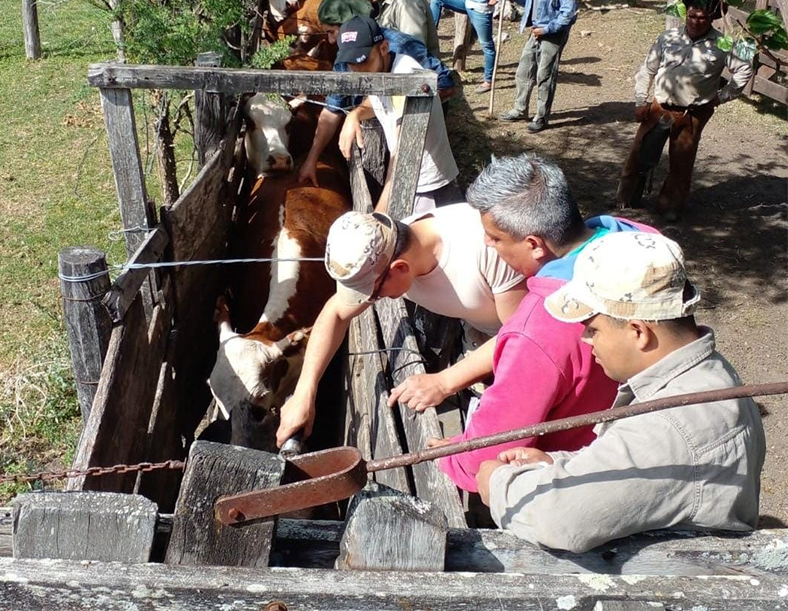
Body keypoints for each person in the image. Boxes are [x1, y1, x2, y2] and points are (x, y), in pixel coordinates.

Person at [478, 232, 766, 554]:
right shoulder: (707, 373)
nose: (586, 339)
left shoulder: (669, 426)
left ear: (638, 331)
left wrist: (497, 483)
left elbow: (560, 519)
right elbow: (639, 464)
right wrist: (555, 464)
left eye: (593, 328)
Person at [413, 153, 654, 493]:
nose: (487, 244)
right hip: (640, 441)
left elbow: (488, 452)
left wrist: (456, 455)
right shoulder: (644, 246)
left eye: (495, 238)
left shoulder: (541, 326)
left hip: (580, 477)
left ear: (533, 245)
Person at [275, 205, 528, 448]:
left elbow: (521, 336)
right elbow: (337, 312)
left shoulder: (486, 250)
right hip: (488, 332)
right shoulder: (393, 246)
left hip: (532, 343)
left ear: (399, 268)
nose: (370, 301)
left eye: (373, 293)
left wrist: (444, 382)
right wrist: (305, 392)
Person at [615, 0, 754, 221]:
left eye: (702, 17)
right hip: (659, 108)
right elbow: (647, 69)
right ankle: (626, 199)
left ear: (712, 19)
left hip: (693, 113)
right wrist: (641, 101)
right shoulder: (667, 37)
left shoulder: (723, 44)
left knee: (682, 162)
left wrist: (722, 96)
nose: (695, 21)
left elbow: (744, 70)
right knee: (639, 154)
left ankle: (670, 207)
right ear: (686, 14)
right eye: (691, 16)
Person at [298, 0, 456, 188]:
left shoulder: (402, 48)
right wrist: (311, 159)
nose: (330, 41)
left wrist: (410, 113)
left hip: (420, 157)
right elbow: (332, 109)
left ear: (350, 28)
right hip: (382, 141)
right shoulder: (345, 60)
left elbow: (444, 85)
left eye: (331, 31)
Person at [334, 15, 458, 213]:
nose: (357, 70)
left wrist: (380, 214)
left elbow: (401, 154)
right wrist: (355, 115)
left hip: (425, 187)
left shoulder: (405, 78)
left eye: (363, 60)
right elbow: (375, 102)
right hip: (409, 180)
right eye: (350, 63)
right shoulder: (381, 73)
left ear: (383, 48)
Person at [500, 0, 578, 132]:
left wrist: (546, 30)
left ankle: (541, 117)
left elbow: (568, 14)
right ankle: (520, 109)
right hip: (534, 31)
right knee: (524, 70)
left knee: (545, 75)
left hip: (552, 35)